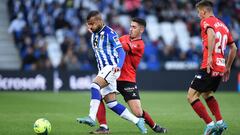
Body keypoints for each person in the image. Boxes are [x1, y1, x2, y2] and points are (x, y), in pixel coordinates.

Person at [90, 17, 168, 134]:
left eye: (134, 27)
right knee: (98, 95)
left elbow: (123, 47)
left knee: (138, 112)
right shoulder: (123, 37)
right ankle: (103, 126)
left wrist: (109, 36)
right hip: (113, 75)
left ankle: (155, 126)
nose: (130, 29)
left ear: (141, 30)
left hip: (127, 79)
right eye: (130, 26)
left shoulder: (140, 44)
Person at [76, 11, 147, 134]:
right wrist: (93, 30)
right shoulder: (94, 34)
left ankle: (91, 118)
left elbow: (121, 51)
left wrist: (118, 66)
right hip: (103, 69)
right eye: (88, 25)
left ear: (99, 22)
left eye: (92, 24)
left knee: (94, 85)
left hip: (111, 67)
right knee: (112, 103)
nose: (90, 27)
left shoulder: (110, 33)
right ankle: (137, 121)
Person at [187, 1, 237, 135]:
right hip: (220, 67)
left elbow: (212, 35)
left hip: (209, 65)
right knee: (206, 93)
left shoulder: (205, 21)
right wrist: (228, 67)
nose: (198, 15)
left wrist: (209, 56)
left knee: (191, 96)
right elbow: (234, 48)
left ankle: (210, 124)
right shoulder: (224, 26)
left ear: (204, 11)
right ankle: (220, 123)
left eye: (199, 12)